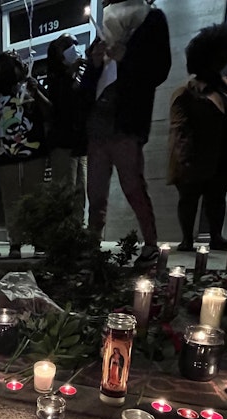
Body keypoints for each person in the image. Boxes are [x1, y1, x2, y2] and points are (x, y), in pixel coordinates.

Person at [82, 0, 171, 264]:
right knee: (95, 191)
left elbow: (159, 69)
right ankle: (91, 245)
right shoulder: (105, 27)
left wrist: (128, 58)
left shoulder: (150, 20)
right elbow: (88, 85)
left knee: (132, 185)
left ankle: (150, 242)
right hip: (98, 123)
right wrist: (95, 62)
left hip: (126, 122)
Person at [167, 24, 227, 252]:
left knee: (217, 196)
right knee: (189, 198)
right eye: (217, 54)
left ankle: (216, 235)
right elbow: (179, 126)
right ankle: (187, 239)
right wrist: (184, 157)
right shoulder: (186, 91)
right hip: (195, 153)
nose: (222, 59)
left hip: (223, 151)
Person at [0, 50, 50, 259]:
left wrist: (36, 93)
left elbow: (49, 112)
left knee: (35, 198)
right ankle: (15, 242)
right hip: (4, 154)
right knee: (11, 200)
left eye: (15, 64)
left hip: (33, 151)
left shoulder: (31, 87)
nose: (10, 69)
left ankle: (39, 241)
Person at [45, 34, 91, 224]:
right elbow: (59, 105)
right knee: (66, 191)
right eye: (70, 45)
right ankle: (64, 235)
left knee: (80, 190)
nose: (75, 48)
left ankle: (78, 233)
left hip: (80, 143)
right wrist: (69, 73)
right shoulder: (56, 78)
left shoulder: (80, 74)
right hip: (63, 142)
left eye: (75, 43)